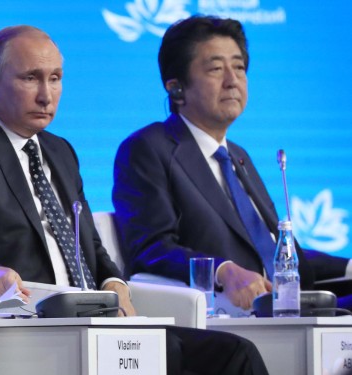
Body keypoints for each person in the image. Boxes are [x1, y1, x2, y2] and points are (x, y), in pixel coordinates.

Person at [0, 24, 269, 375]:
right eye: (30, 78)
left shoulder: (60, 151)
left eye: (55, 78)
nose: (46, 95)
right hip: (31, 320)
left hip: (93, 317)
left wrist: (114, 283)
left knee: (233, 352)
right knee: (177, 354)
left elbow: (91, 247)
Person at [112, 15, 350, 312]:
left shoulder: (238, 156)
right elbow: (151, 248)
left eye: (239, 67)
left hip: (289, 306)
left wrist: (349, 265)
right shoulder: (148, 149)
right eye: (216, 69)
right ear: (176, 88)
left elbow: (273, 253)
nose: (233, 80)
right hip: (227, 313)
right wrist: (222, 271)